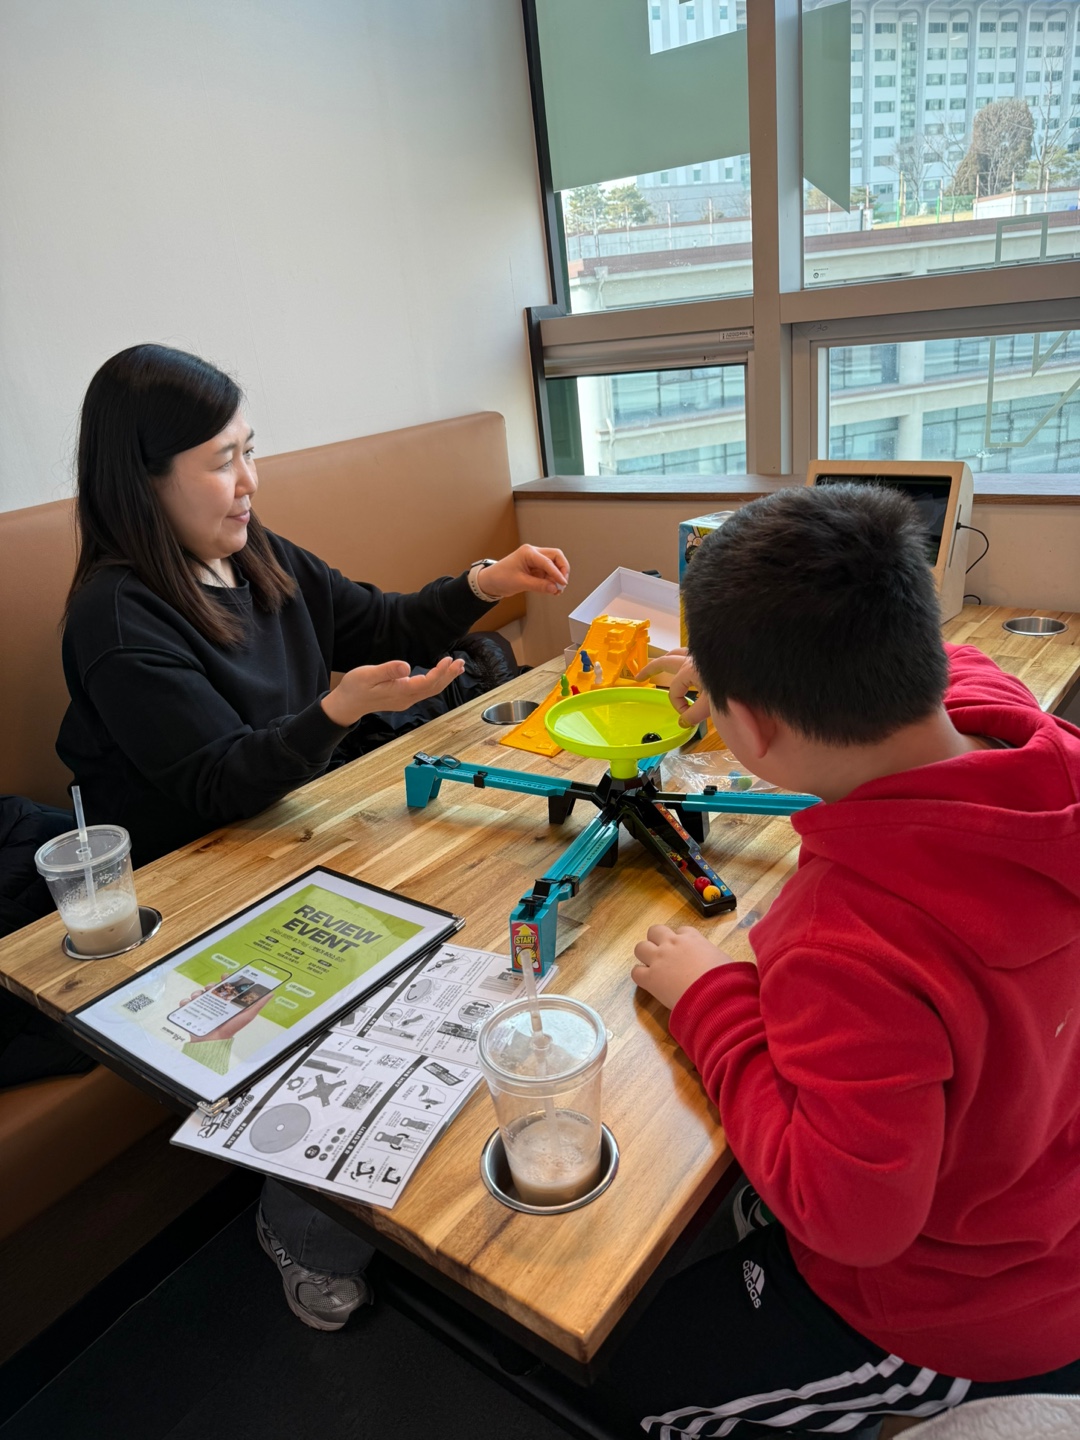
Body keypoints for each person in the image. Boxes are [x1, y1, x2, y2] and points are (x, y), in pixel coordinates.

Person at [58, 343, 570, 1331]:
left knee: (493, 903)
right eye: (222, 460)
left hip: (293, 828)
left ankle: (423, 1159)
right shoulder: (116, 617)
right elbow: (215, 784)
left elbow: (379, 621)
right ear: (145, 478)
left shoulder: (256, 553)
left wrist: (482, 580)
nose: (249, 480)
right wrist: (336, 713)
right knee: (394, 974)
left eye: (250, 450)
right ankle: (304, 1227)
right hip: (198, 880)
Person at [592, 485, 1080, 1437]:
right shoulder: (1029, 742)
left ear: (751, 729)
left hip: (964, 1311)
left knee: (638, 1384)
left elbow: (852, 1221)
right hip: (1039, 1189)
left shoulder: (845, 938)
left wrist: (710, 1000)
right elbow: (967, 669)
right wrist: (726, 673)